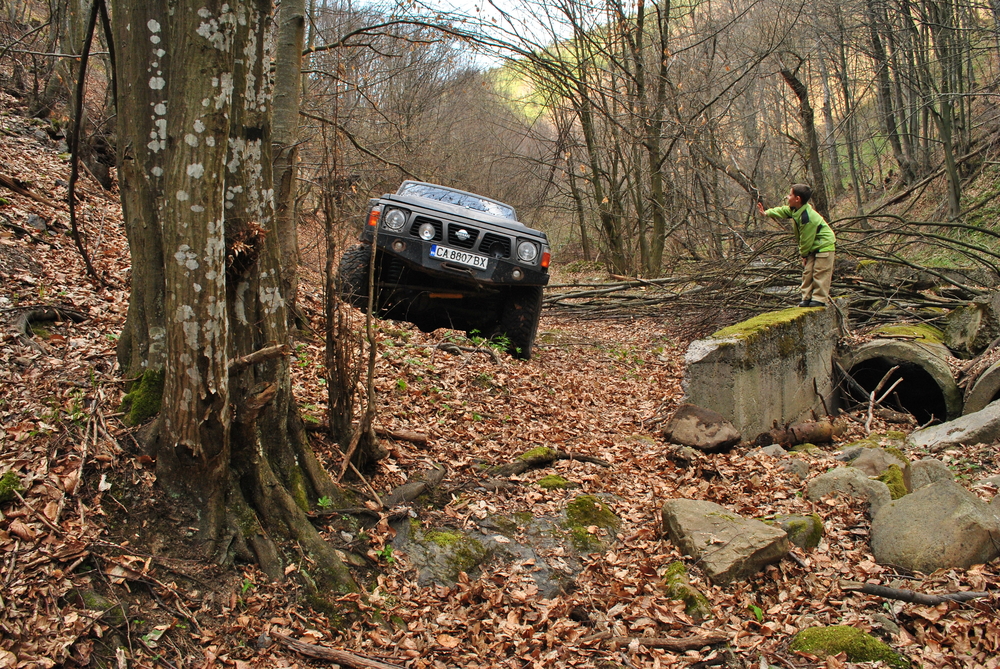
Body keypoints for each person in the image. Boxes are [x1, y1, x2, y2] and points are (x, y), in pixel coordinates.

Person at [757, 183, 835, 308]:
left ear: (797, 199)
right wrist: (767, 213)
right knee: (808, 271)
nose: (787, 197)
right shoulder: (795, 210)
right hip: (813, 247)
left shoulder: (807, 218)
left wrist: (804, 255)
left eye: (790, 195)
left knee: (820, 271)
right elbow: (782, 211)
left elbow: (806, 240)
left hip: (824, 245)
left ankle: (819, 299)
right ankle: (807, 297)